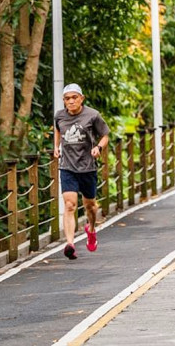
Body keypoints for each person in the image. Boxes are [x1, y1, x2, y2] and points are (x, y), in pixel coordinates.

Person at [53, 83, 111, 259]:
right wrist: (56, 147)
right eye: (67, 98)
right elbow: (57, 130)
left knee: (90, 206)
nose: (71, 101)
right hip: (67, 166)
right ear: (64, 101)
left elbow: (105, 135)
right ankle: (70, 244)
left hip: (87, 167)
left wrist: (98, 148)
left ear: (81, 99)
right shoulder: (59, 116)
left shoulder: (92, 115)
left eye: (74, 98)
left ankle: (91, 229)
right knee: (70, 205)